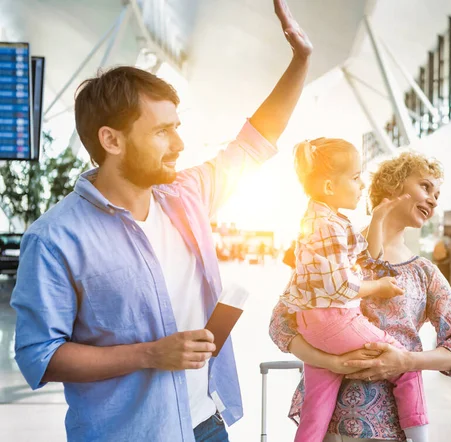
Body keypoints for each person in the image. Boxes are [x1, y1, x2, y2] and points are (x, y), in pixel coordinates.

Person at [9, 1, 312, 441]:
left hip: (207, 423)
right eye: (161, 132)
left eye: (176, 126)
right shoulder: (56, 238)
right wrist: (150, 354)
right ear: (111, 140)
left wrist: (300, 61)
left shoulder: (186, 197)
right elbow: (40, 354)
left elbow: (254, 142)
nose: (179, 143)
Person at [270, 151, 451, 442]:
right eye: (425, 186)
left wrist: (407, 361)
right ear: (393, 185)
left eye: (437, 193)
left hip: (389, 430)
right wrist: (328, 362)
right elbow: (281, 324)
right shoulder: (332, 248)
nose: (433, 199)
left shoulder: (424, 273)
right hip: (327, 428)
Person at [280, 138, 428, 442]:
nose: (361, 186)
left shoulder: (324, 221)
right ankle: (421, 436)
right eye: (355, 177)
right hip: (335, 320)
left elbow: (366, 260)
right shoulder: (329, 227)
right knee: (405, 362)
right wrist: (380, 286)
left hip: (313, 325)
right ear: (330, 187)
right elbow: (342, 286)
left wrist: (377, 218)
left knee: (316, 408)